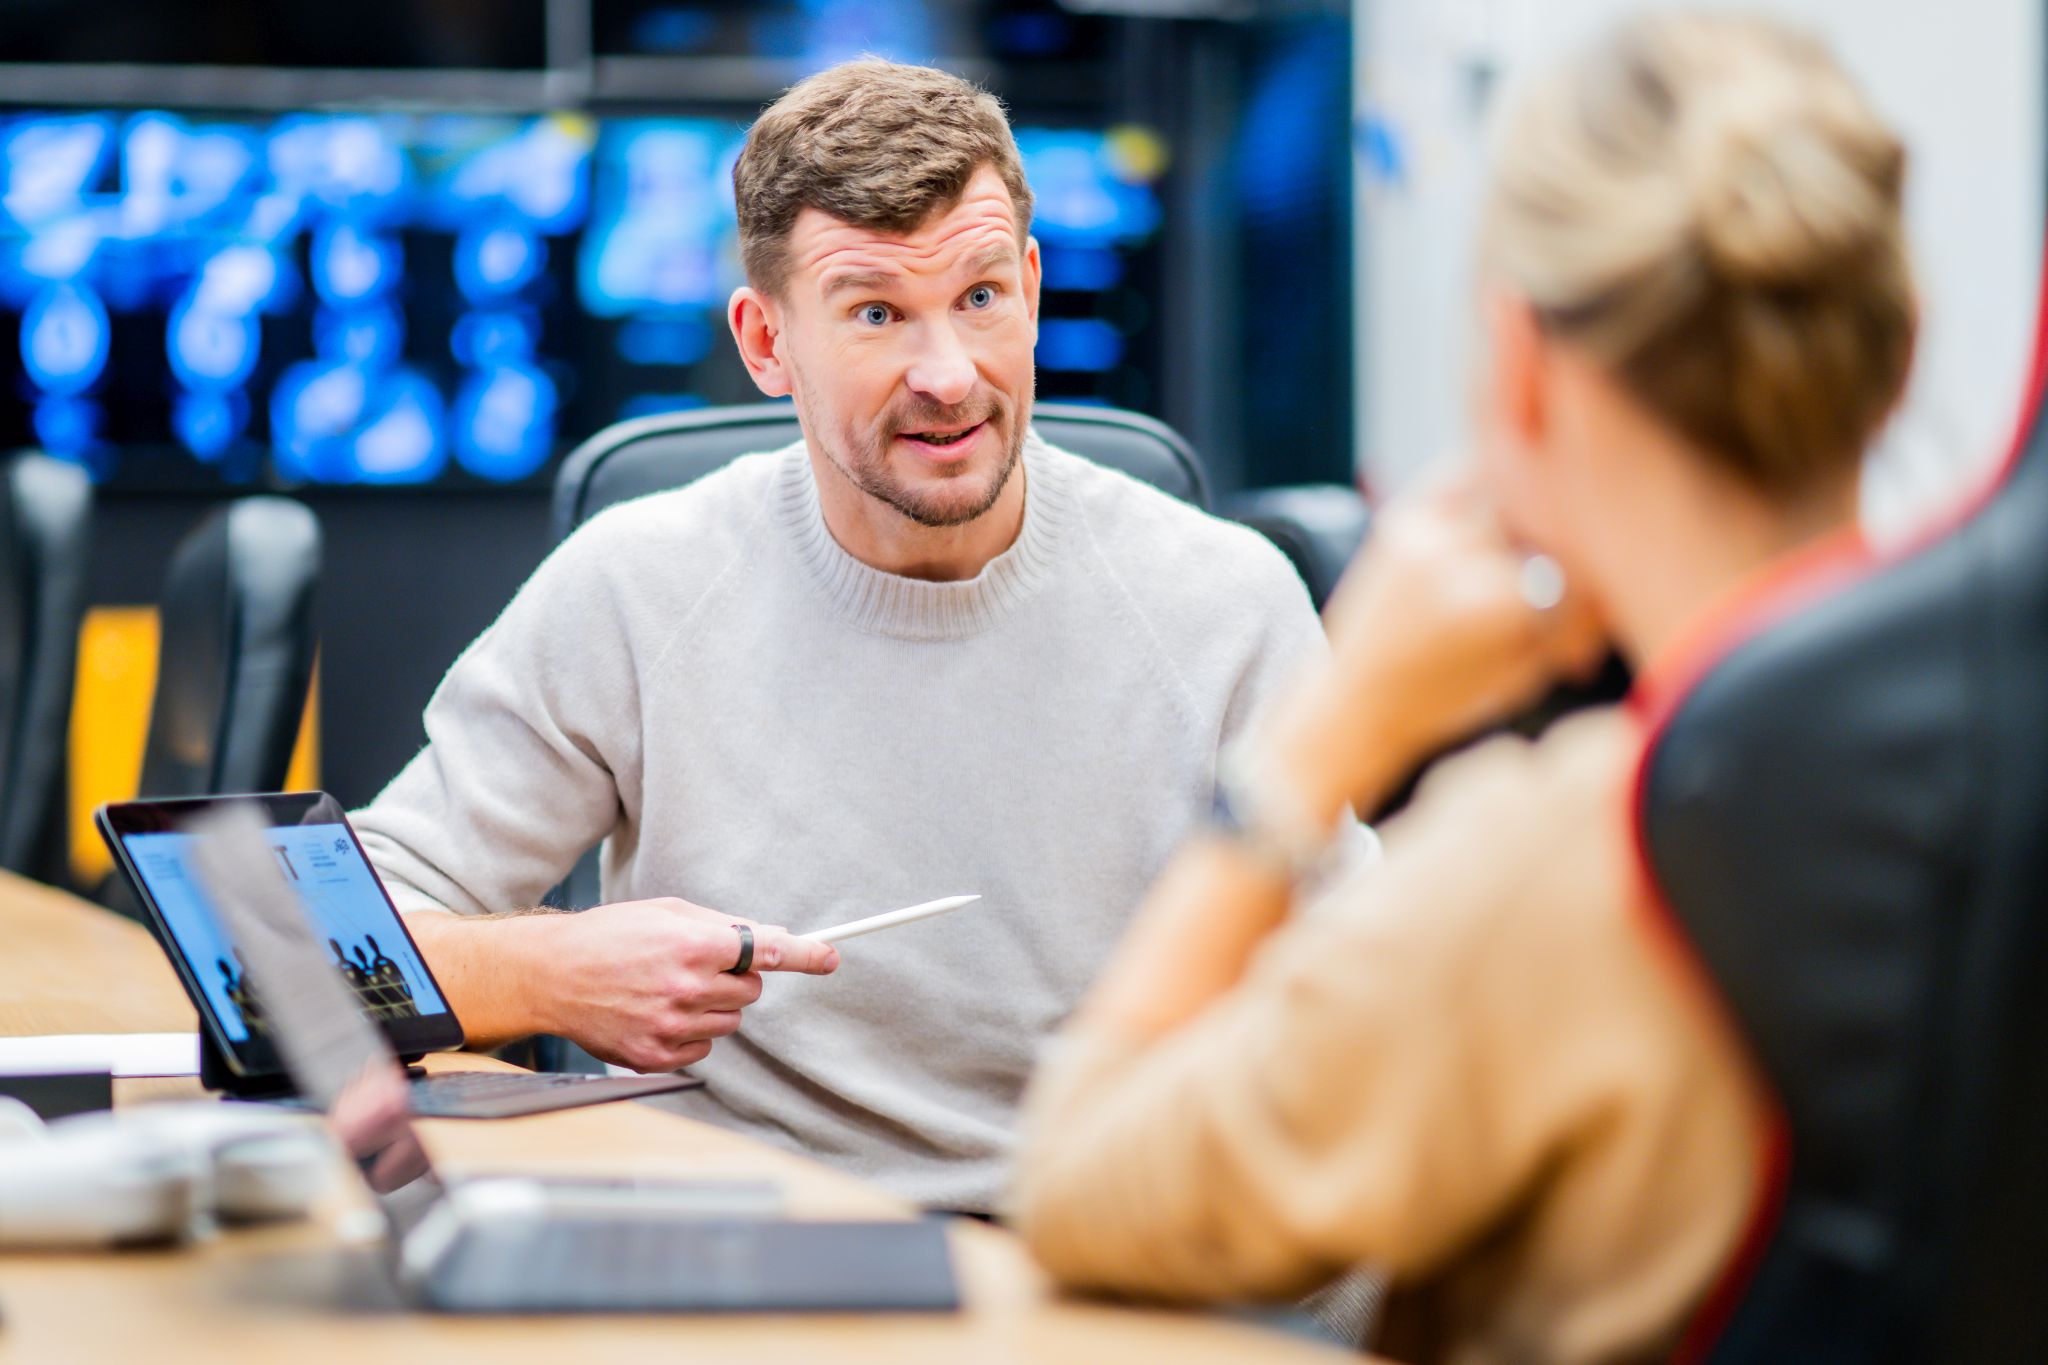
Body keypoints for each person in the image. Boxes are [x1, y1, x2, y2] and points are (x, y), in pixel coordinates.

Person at [1010, 12, 1916, 1361]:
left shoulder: (1571, 858)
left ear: (1524, 370)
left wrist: (1320, 748)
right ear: (1888, 363)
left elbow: (1080, 1178)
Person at [352, 59, 1340, 1212]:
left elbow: (1351, 994)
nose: (947, 374)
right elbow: (311, 945)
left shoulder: (1224, 600)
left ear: (1029, 285)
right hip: (743, 1245)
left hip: (1100, 1248)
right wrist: (545, 972)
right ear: (765, 344)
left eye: (979, 297)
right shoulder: (641, 583)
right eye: (876, 312)